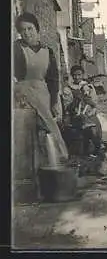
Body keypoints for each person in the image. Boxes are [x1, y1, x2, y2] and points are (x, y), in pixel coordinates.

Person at [13, 12, 69, 167]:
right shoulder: (16, 49)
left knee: (47, 130)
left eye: (30, 29)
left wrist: (54, 101)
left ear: (37, 30)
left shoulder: (47, 51)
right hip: (22, 95)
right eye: (23, 30)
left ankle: (51, 166)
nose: (27, 33)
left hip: (42, 95)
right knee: (26, 133)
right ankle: (28, 171)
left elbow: (53, 79)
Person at [63, 65, 104, 159]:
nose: (77, 77)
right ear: (71, 76)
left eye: (79, 75)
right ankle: (83, 150)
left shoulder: (88, 87)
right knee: (81, 124)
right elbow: (67, 106)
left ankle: (97, 148)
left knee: (95, 128)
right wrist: (76, 99)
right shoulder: (68, 89)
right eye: (75, 75)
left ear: (82, 75)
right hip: (75, 115)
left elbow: (94, 103)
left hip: (88, 113)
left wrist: (89, 101)